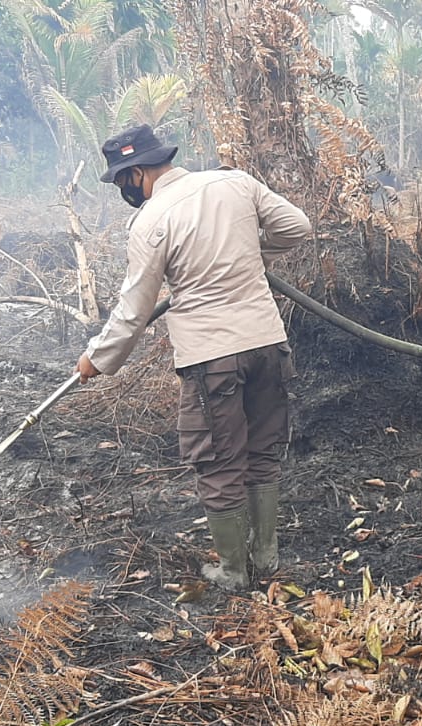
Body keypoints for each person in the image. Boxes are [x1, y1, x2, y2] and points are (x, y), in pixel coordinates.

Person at [75, 124, 312, 590]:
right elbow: (296, 227)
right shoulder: (234, 182)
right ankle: (267, 560)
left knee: (219, 462)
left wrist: (96, 360)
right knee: (263, 452)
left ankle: (233, 571)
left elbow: (135, 309)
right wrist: (242, 251)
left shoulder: (149, 221)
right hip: (267, 343)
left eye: (123, 181)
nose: (125, 190)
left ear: (137, 173)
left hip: (212, 359)